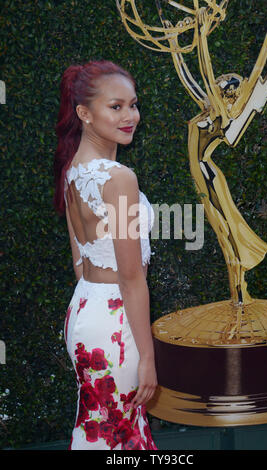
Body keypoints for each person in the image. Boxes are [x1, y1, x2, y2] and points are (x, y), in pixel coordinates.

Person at [53, 59, 158, 450]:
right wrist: (147, 358)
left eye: (132, 104)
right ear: (84, 113)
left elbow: (79, 260)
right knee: (121, 438)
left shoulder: (73, 170)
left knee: (102, 430)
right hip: (116, 324)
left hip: (84, 311)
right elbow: (131, 278)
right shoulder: (119, 178)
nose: (130, 116)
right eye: (116, 107)